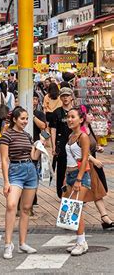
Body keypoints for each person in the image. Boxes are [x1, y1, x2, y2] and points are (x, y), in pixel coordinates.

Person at [0, 107, 44, 259]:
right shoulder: (6, 136)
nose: (25, 121)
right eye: (22, 119)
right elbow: (4, 160)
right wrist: (6, 181)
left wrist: (40, 146)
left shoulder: (28, 136)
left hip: (30, 171)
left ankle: (22, 243)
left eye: (26, 119)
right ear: (14, 119)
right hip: (15, 171)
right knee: (11, 205)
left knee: (26, 208)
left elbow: (33, 156)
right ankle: (7, 244)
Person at [63, 107, 91, 256]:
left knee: (76, 209)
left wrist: (79, 179)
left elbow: (85, 158)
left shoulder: (83, 137)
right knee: (74, 208)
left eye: (73, 117)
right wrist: (65, 179)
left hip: (81, 176)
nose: (69, 119)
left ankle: (81, 243)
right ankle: (81, 241)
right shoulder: (70, 136)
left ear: (81, 120)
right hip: (70, 175)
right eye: (68, 117)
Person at [81, 111, 113, 230]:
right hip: (81, 167)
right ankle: (70, 219)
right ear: (83, 116)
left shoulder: (89, 129)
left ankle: (105, 218)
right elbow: (80, 150)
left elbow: (90, 147)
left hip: (91, 166)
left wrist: (97, 148)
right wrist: (93, 160)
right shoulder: (79, 132)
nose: (92, 116)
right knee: (76, 195)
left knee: (97, 190)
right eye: (89, 114)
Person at [50, 87, 73, 198]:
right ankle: (61, 193)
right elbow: (53, 129)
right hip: (61, 144)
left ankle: (77, 193)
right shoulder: (57, 112)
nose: (65, 98)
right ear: (60, 97)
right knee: (61, 168)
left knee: (76, 167)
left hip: (75, 144)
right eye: (63, 96)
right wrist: (54, 146)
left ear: (71, 97)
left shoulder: (76, 111)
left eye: (67, 95)